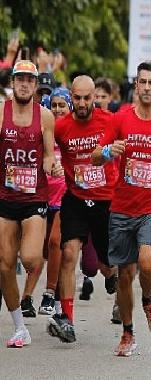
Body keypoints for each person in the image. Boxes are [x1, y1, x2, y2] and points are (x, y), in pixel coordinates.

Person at [91, 61, 151, 357]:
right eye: (142, 82)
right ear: (136, 86)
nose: (147, 87)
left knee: (146, 262)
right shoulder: (120, 120)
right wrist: (109, 151)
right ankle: (127, 332)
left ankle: (148, 299)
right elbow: (96, 156)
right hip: (122, 206)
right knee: (124, 274)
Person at [46, 75, 119, 344]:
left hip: (104, 199)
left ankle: (113, 276)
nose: (82, 103)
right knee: (68, 254)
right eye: (77, 98)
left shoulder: (109, 121)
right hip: (75, 198)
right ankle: (66, 319)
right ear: (71, 98)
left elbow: (130, 141)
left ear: (94, 98)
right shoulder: (62, 126)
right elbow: (46, 149)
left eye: (87, 98)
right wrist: (51, 163)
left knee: (103, 264)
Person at [0, 60, 60, 348]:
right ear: (13, 83)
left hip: (35, 196)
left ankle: (31, 283)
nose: (24, 84)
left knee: (32, 259)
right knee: (4, 266)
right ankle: (20, 328)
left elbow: (48, 153)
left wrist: (51, 164)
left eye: (29, 80)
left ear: (36, 86)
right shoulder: (1, 112)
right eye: (20, 79)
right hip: (5, 198)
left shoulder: (45, 116)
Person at [38, 88, 72, 316]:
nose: (58, 109)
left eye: (62, 105)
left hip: (67, 197)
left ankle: (50, 294)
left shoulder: (73, 131)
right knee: (43, 251)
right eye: (54, 105)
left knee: (55, 242)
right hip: (42, 196)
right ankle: (58, 288)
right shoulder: (44, 131)